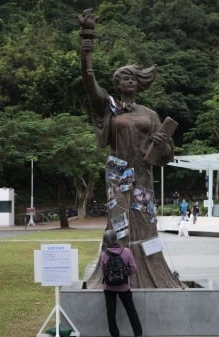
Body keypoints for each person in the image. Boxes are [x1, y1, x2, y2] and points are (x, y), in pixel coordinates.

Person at [79, 9, 182, 289]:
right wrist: (86, 41)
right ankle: (114, 273)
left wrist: (162, 144)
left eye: (132, 78)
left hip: (143, 173)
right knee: (118, 224)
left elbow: (166, 153)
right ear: (116, 84)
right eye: (122, 78)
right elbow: (89, 82)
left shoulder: (150, 114)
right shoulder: (109, 107)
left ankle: (152, 274)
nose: (128, 81)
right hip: (117, 172)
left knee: (145, 221)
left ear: (138, 83)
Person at [100, 230, 143, 337]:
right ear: (116, 239)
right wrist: (123, 276)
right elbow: (133, 268)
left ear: (105, 241)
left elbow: (103, 270)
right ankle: (138, 334)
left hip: (109, 288)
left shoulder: (104, 255)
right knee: (131, 311)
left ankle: (115, 335)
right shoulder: (127, 251)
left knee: (111, 313)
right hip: (124, 287)